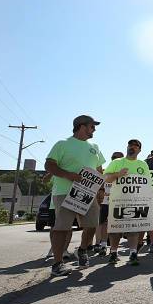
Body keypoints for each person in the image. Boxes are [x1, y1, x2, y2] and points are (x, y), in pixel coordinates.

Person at [45, 115, 106, 277]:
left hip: (88, 193)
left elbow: (99, 170)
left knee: (93, 224)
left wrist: (101, 189)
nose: (94, 129)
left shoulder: (95, 146)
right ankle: (57, 264)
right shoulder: (62, 144)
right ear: (81, 126)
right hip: (65, 192)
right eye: (92, 126)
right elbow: (49, 165)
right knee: (62, 228)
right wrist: (68, 175)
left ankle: (83, 250)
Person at [104, 139, 151, 266]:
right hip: (118, 201)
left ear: (139, 150)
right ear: (127, 147)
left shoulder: (143, 165)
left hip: (135, 202)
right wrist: (118, 174)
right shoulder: (117, 162)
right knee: (115, 228)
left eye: (136, 146)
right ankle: (113, 253)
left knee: (134, 228)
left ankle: (133, 253)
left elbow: (147, 184)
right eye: (131, 145)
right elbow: (105, 179)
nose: (133, 147)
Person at [93, 151, 124, 257]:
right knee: (104, 223)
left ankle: (114, 249)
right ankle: (103, 245)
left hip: (119, 202)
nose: (116, 159)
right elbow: (100, 183)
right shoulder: (106, 170)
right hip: (106, 201)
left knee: (116, 225)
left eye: (119, 158)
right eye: (114, 157)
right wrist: (99, 192)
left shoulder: (125, 172)